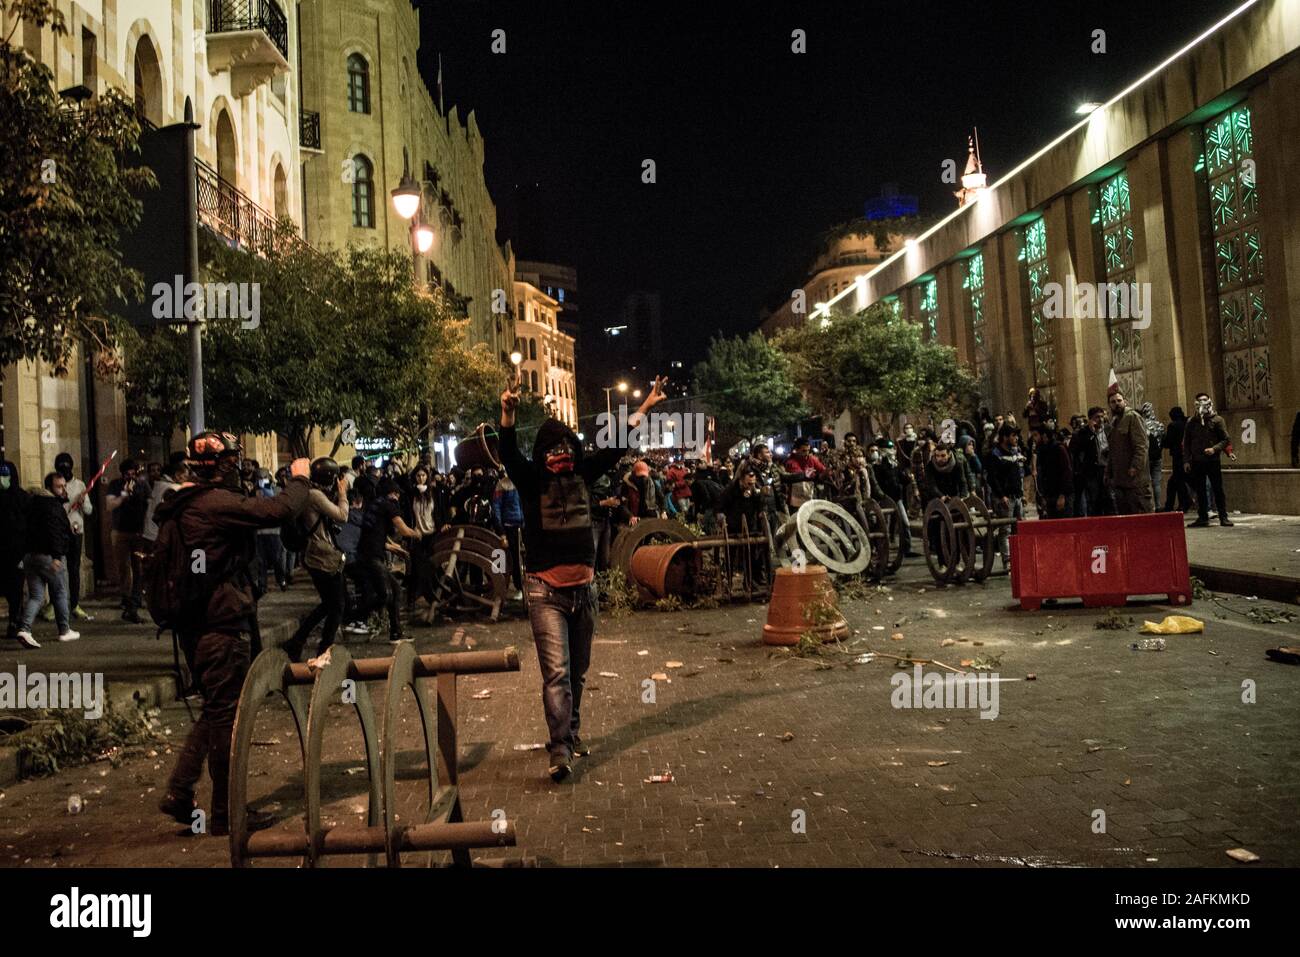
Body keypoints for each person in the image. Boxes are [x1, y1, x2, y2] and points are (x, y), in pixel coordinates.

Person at [498, 373, 667, 783]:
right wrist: (508, 411)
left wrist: (643, 409)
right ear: (541, 454)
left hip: (584, 591)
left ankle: (569, 736)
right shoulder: (530, 478)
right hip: (544, 592)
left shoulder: (583, 474)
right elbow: (507, 453)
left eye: (565, 449)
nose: (560, 456)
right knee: (556, 674)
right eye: (551, 450)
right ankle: (559, 749)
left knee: (577, 673)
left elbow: (614, 448)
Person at [155, 433, 312, 837]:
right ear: (220, 465)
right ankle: (226, 813)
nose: (237, 469)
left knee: (215, 708)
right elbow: (278, 510)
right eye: (231, 462)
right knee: (227, 715)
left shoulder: (182, 504)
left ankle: (180, 791)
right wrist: (300, 478)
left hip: (196, 625)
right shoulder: (213, 504)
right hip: (220, 626)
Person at [284, 459, 350, 661]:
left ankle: (297, 641)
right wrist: (343, 494)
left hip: (315, 556)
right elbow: (342, 515)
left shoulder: (308, 493)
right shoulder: (315, 496)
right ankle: (323, 649)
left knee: (329, 604)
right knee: (336, 606)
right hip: (323, 558)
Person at [13, 472, 80, 648]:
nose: (64, 489)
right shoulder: (52, 506)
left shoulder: (31, 503)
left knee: (36, 595)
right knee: (59, 592)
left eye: (65, 486)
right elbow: (54, 532)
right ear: (50, 487)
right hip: (48, 556)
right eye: (60, 486)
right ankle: (64, 630)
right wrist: (57, 556)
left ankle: (25, 629)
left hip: (30, 556)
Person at [356, 477, 425, 641]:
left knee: (396, 590)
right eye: (397, 494)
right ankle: (354, 617)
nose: (399, 498)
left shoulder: (374, 504)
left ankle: (396, 633)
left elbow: (376, 536)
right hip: (372, 556)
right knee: (385, 594)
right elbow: (403, 529)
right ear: (393, 494)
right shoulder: (388, 505)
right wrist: (417, 534)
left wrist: (394, 547)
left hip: (369, 553)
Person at [106, 458, 152, 623]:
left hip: (139, 532)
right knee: (124, 567)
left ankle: (136, 599)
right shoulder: (115, 485)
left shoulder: (142, 485)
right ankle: (126, 598)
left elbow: (150, 505)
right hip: (120, 531)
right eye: (127, 474)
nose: (130, 477)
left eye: (133, 474)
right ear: (122, 474)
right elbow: (109, 506)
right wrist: (124, 495)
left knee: (138, 567)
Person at [1183, 392, 1232, 528]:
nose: (1202, 403)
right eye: (1199, 400)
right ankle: (1203, 517)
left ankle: (1223, 517)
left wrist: (1214, 449)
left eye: (1205, 400)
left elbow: (1226, 439)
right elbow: (1186, 442)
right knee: (1200, 490)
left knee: (1217, 489)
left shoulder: (1217, 420)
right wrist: (1186, 460)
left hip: (1212, 461)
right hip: (1197, 461)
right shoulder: (1192, 422)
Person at [53, 452, 92, 622]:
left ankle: (74, 604)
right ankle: (57, 604)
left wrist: (83, 502)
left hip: (75, 532)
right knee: (57, 569)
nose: (64, 470)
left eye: (67, 466)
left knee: (73, 569)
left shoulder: (80, 485)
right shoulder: (53, 484)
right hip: (59, 532)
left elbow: (89, 510)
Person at [1105, 385, 1153, 514]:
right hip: (1120, 481)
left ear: (1125, 401)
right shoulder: (1114, 422)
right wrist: (1108, 472)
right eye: (1113, 402)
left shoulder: (1132, 417)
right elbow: (1113, 450)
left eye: (1119, 401)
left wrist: (1135, 467)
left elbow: (1141, 445)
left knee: (1140, 517)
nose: (1117, 404)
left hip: (1135, 482)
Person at [986, 426, 1027, 567]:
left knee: (1020, 528)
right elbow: (992, 478)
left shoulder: (1015, 452)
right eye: (1013, 435)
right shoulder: (995, 455)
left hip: (1017, 497)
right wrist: (1001, 495)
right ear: (1004, 437)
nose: (1016, 438)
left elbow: (1019, 474)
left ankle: (1020, 559)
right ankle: (1007, 561)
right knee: (1005, 530)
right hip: (1004, 498)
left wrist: (1021, 494)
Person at [0, 460, 30, 645]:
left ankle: (14, 621)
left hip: (16, 551)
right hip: (4, 551)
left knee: (15, 590)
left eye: (5, 476)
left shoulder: (22, 497)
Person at [1069, 407, 1110, 516]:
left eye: (1102, 416)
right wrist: (1092, 433)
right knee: (1094, 499)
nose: (1100, 419)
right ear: (1091, 418)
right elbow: (1075, 449)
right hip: (1092, 471)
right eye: (1097, 417)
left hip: (1106, 468)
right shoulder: (1083, 433)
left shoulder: (1107, 429)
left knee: (1107, 498)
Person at [1033, 423, 1074, 518]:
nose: (1034, 439)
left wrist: (1062, 495)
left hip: (1061, 495)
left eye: (1036, 435)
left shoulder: (1059, 448)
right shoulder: (1042, 450)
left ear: (1044, 435)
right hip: (1049, 494)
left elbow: (1066, 472)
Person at [1159, 406, 1191, 513]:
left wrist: (1162, 439)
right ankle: (1180, 503)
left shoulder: (1173, 426)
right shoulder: (1187, 423)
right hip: (1188, 456)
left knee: (1177, 481)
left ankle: (1183, 503)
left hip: (1177, 457)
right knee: (1175, 482)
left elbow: (1168, 442)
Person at [1138, 402, 1165, 504]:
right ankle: (1158, 505)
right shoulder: (1159, 425)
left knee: (1145, 482)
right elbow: (1163, 440)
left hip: (1146, 456)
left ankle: (1149, 505)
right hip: (1157, 455)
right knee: (1156, 482)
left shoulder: (1142, 424)